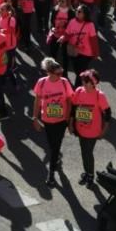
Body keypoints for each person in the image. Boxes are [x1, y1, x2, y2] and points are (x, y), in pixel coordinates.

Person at [32, 59, 73, 187]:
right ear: (49, 73)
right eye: (58, 73)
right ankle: (55, 159)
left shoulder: (64, 83)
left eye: (61, 72)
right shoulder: (42, 83)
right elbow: (37, 101)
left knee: (56, 145)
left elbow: (69, 101)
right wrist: (35, 118)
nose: (61, 75)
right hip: (47, 120)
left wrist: (69, 119)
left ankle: (51, 173)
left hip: (61, 121)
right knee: (52, 144)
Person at [69, 69, 111, 188]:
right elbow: (74, 108)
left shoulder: (99, 95)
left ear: (94, 83)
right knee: (84, 151)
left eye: (86, 82)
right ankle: (87, 173)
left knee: (87, 152)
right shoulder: (79, 91)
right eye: (83, 81)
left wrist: (104, 130)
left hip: (93, 131)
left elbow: (108, 114)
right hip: (80, 129)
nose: (83, 84)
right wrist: (71, 124)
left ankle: (90, 175)